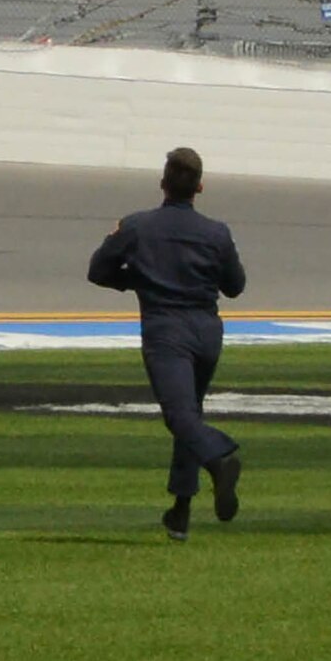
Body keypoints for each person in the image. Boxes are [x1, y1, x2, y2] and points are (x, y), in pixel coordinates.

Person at [87, 146, 246, 540]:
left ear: (163, 184)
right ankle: (181, 511)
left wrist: (136, 279)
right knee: (188, 414)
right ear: (200, 187)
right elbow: (236, 286)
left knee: (180, 418)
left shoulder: (138, 227)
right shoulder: (217, 232)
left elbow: (97, 270)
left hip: (166, 330)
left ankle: (220, 456)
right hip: (207, 331)